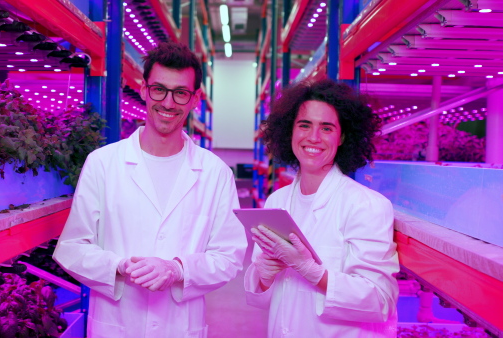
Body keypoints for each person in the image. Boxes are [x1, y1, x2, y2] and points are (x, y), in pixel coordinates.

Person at [53, 42, 247, 338]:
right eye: (159, 89)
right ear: (144, 90)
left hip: (180, 327)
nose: (168, 103)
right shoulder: (103, 164)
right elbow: (70, 248)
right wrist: (119, 267)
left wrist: (178, 270)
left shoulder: (215, 173)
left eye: (180, 93)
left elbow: (229, 257)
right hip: (116, 325)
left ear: (195, 99)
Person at [245, 79, 400, 337]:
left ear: (342, 138)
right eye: (304, 125)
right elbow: (263, 299)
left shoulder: (367, 206)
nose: (313, 137)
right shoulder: (277, 202)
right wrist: (264, 274)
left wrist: (313, 272)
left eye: (326, 128)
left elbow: (380, 301)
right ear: (289, 132)